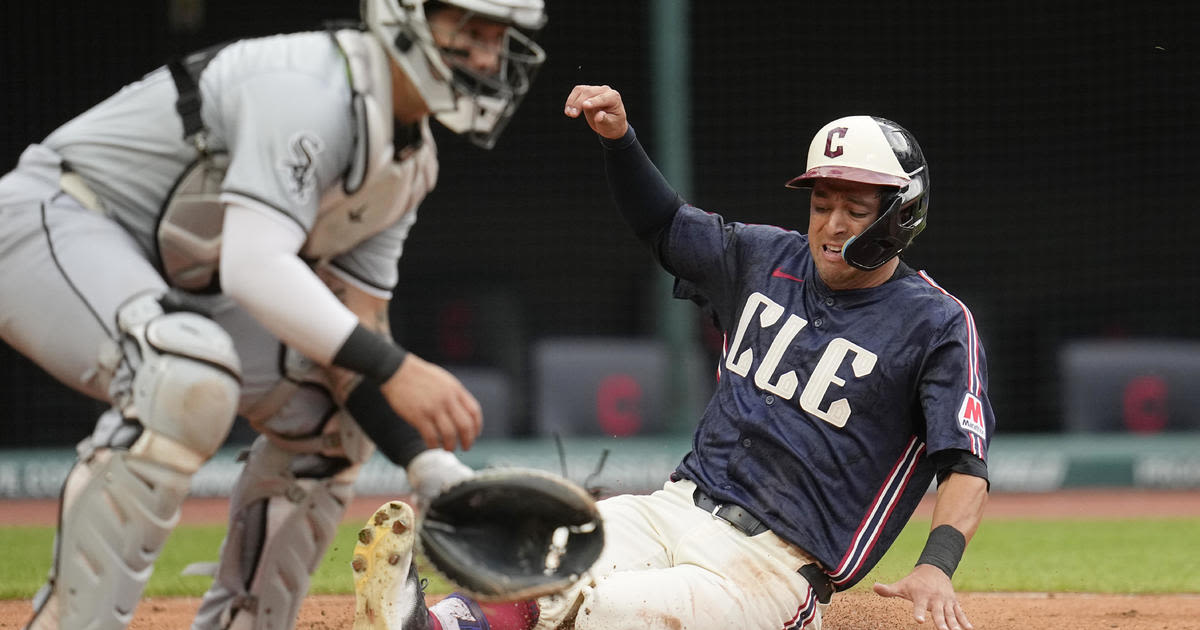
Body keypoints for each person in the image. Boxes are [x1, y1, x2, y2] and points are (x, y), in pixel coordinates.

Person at [349, 85, 995, 630]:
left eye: (854, 210)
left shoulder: (936, 323)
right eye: (821, 204)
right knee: (538, 551)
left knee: (597, 606)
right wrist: (619, 139)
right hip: (675, 507)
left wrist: (936, 564)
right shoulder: (763, 257)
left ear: (899, 216)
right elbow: (662, 224)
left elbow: (962, 460)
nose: (829, 224)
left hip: (771, 569)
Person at [0, 1, 547, 628]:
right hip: (56, 218)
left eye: (498, 38)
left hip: (176, 275)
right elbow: (255, 268)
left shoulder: (410, 164)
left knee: (330, 418)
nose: (485, 56)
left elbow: (352, 328)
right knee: (184, 378)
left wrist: (429, 466)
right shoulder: (310, 84)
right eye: (470, 31)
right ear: (404, 16)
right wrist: (398, 369)